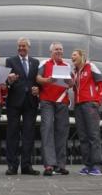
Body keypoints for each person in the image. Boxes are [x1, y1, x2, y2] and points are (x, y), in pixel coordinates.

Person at [36, 42, 73, 176]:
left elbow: (72, 82)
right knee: (47, 130)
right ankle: (49, 165)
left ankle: (60, 165)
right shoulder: (44, 63)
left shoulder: (67, 65)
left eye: (61, 49)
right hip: (47, 101)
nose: (59, 51)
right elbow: (38, 78)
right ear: (51, 52)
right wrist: (47, 80)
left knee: (62, 132)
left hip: (62, 101)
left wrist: (70, 82)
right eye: (56, 49)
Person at [5, 37, 40, 175]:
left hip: (30, 102)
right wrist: (9, 80)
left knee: (28, 135)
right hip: (14, 102)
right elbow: (6, 81)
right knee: (12, 134)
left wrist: (38, 89)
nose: (21, 48)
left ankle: (26, 166)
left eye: (23, 46)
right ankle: (12, 166)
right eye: (19, 46)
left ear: (28, 47)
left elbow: (37, 81)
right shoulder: (10, 61)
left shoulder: (35, 62)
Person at [71, 49, 102, 176]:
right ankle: (88, 165)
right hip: (78, 106)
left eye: (74, 55)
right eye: (71, 56)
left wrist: (98, 101)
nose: (72, 58)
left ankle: (98, 165)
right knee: (83, 137)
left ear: (82, 56)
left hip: (90, 105)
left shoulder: (91, 66)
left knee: (93, 135)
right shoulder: (74, 72)